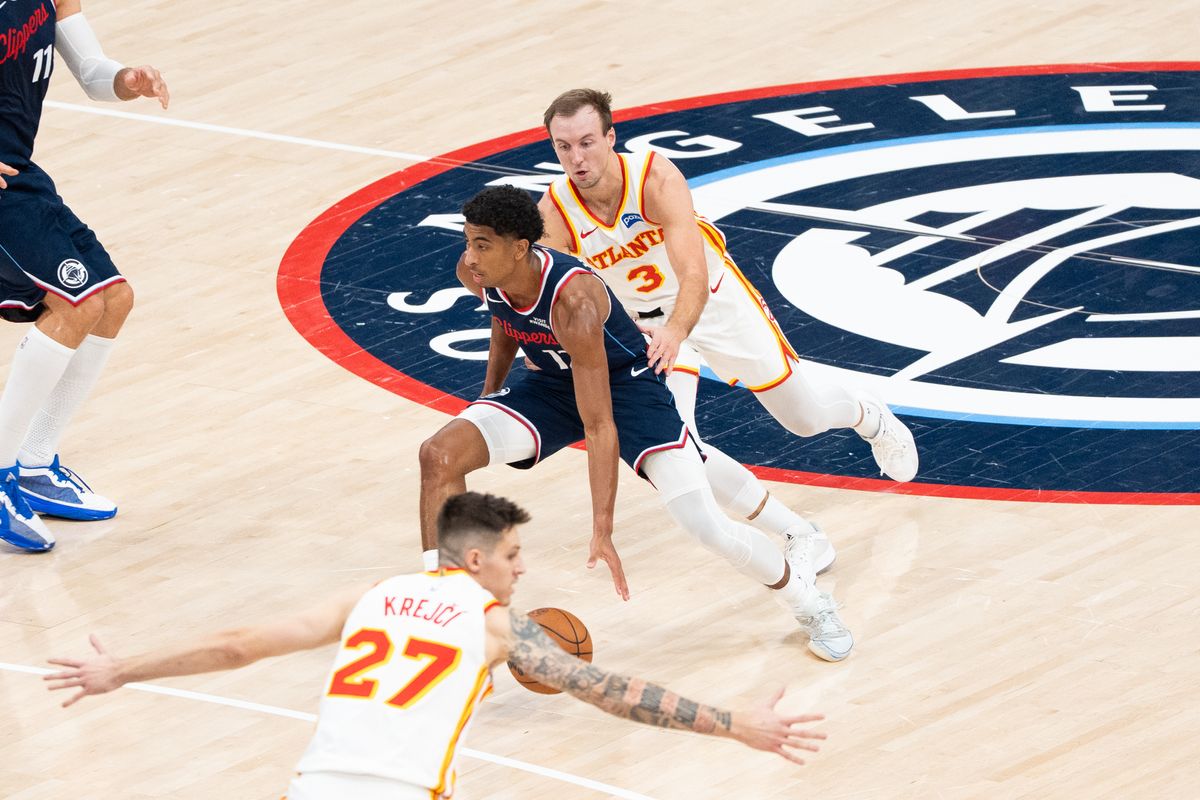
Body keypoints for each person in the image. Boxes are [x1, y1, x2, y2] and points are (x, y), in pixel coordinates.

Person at [46, 492, 829, 799]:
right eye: (515, 557)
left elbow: (237, 644)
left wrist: (121, 669)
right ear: (475, 560)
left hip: (313, 788)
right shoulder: (494, 624)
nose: (524, 572)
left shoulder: (371, 597)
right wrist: (734, 723)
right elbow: (609, 691)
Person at [419, 186, 852, 662]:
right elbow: (504, 319)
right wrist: (489, 394)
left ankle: (810, 604)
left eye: (482, 244)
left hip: (628, 390)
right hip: (549, 387)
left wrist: (602, 526)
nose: (469, 256)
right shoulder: (478, 272)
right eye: (468, 241)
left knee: (704, 524)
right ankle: (450, 603)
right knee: (438, 454)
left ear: (520, 248)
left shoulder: (574, 302)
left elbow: (599, 425)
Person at [536, 89, 922, 569]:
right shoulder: (553, 212)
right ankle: (795, 531)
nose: (577, 157)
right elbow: (558, 294)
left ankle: (869, 417)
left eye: (587, 142)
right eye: (563, 147)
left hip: (714, 301)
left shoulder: (654, 178)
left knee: (802, 419)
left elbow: (693, 275)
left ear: (611, 137)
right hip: (643, 328)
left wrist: (676, 332)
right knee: (680, 451)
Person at [0, 0, 169, 552]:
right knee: (75, 305)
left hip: (19, 174)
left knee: (113, 299)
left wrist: (126, 78)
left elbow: (94, 73)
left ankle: (34, 461)